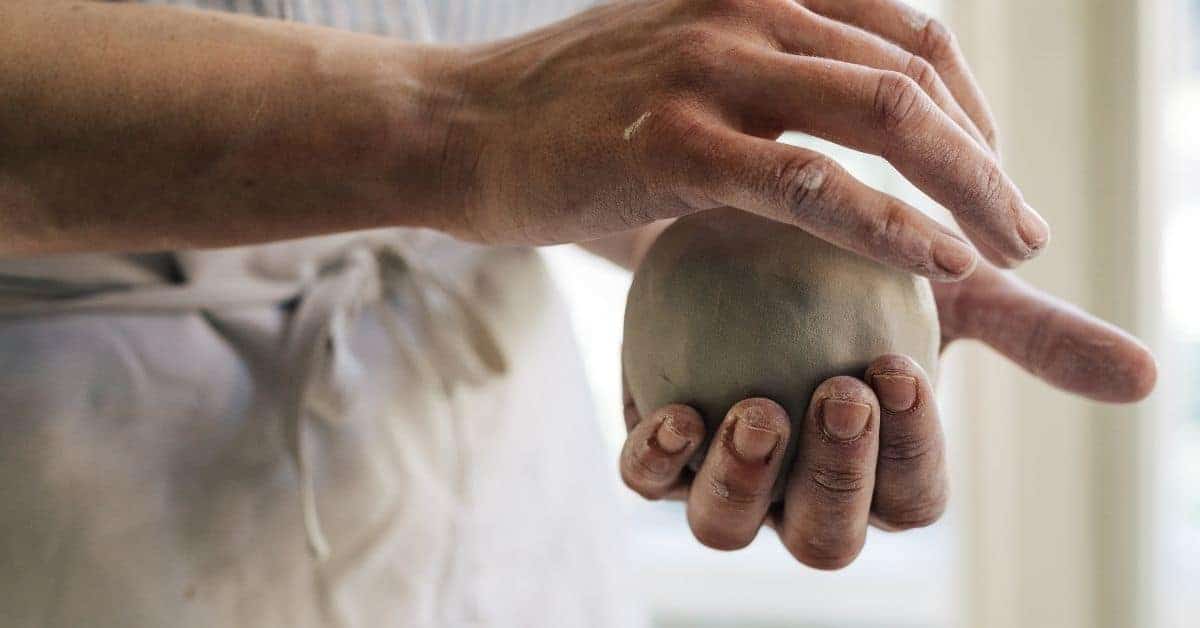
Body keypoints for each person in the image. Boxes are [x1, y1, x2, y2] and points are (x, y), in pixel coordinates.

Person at [0, 1, 1156, 627]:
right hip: (92, 481)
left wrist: (704, 201)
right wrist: (457, 125)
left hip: (497, 474)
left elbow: (527, 77)